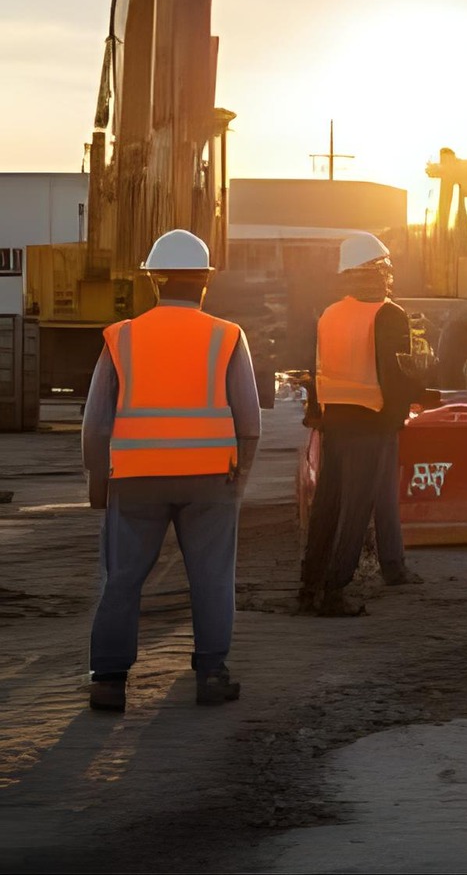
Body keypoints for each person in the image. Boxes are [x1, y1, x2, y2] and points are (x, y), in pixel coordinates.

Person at [82, 229, 261, 711]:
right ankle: (211, 674)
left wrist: (100, 488)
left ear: (153, 280)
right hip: (210, 480)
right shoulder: (227, 336)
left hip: (134, 480)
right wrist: (238, 484)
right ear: (206, 280)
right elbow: (249, 424)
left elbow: (96, 426)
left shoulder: (121, 338)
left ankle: (109, 681)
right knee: (212, 577)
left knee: (122, 578)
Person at [299, 233, 436, 616]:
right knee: (357, 510)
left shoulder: (330, 314)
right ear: (378, 271)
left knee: (329, 505)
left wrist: (318, 414)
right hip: (372, 422)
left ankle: (310, 584)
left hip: (335, 422)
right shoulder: (388, 315)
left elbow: (317, 370)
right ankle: (334, 591)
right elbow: (394, 374)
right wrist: (408, 404)